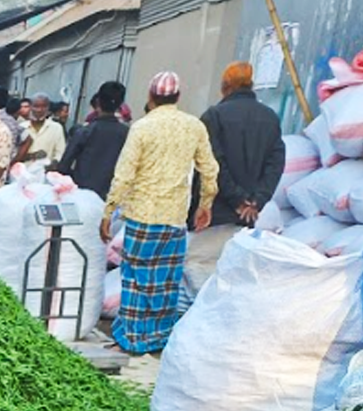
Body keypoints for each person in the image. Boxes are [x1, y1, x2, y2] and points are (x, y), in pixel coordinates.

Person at [102, 71, 217, 355]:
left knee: (136, 279)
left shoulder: (142, 127)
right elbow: (210, 168)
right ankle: (158, 339)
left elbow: (124, 174)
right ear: (178, 97)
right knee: (165, 282)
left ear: (151, 96)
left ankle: (131, 339)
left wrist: (109, 210)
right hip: (174, 219)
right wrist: (205, 203)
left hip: (143, 216)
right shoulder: (194, 127)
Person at [201, 60, 282, 228]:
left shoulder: (214, 116)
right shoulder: (270, 118)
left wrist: (237, 199)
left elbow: (213, 164)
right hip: (248, 217)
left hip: (214, 216)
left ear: (225, 86)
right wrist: (257, 201)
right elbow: (275, 165)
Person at [52, 80, 128, 198]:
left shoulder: (85, 131)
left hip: (82, 193)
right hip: (112, 195)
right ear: (120, 105)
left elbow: (64, 165)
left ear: (98, 102)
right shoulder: (127, 133)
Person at [25, 92, 65, 163]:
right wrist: (32, 156)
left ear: (48, 108)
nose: (40, 110)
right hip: (21, 171)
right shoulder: (22, 127)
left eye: (44, 106)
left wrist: (53, 164)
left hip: (45, 171)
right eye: (36, 106)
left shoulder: (57, 128)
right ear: (31, 107)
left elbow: (60, 153)